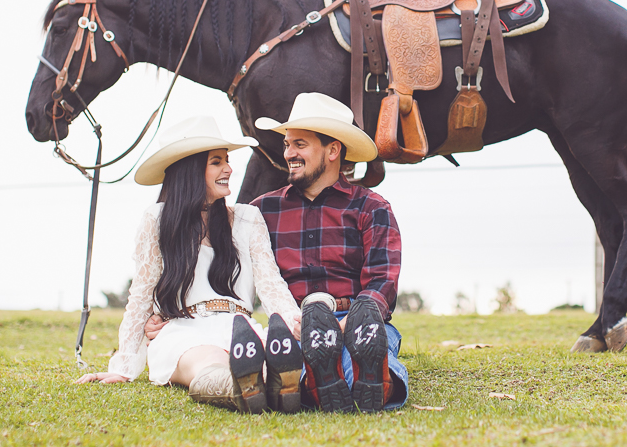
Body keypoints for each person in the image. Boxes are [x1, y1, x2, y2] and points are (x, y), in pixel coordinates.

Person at [75, 116, 303, 414]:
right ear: (192, 171)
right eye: (216, 162)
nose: (229, 169)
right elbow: (141, 296)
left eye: (227, 160)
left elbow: (272, 286)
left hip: (240, 327)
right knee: (209, 363)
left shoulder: (248, 219)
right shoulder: (157, 221)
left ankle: (271, 384)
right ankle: (240, 388)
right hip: (182, 330)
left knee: (263, 361)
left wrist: (294, 325)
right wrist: (124, 365)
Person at [250, 92, 408, 413]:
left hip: (356, 319)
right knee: (288, 358)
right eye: (287, 144)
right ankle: (321, 380)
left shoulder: (371, 208)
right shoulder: (260, 212)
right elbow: (218, 264)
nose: (289, 153)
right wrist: (167, 312)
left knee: (367, 349)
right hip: (295, 323)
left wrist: (346, 323)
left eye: (300, 144)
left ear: (333, 149)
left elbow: (382, 283)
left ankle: (368, 380)